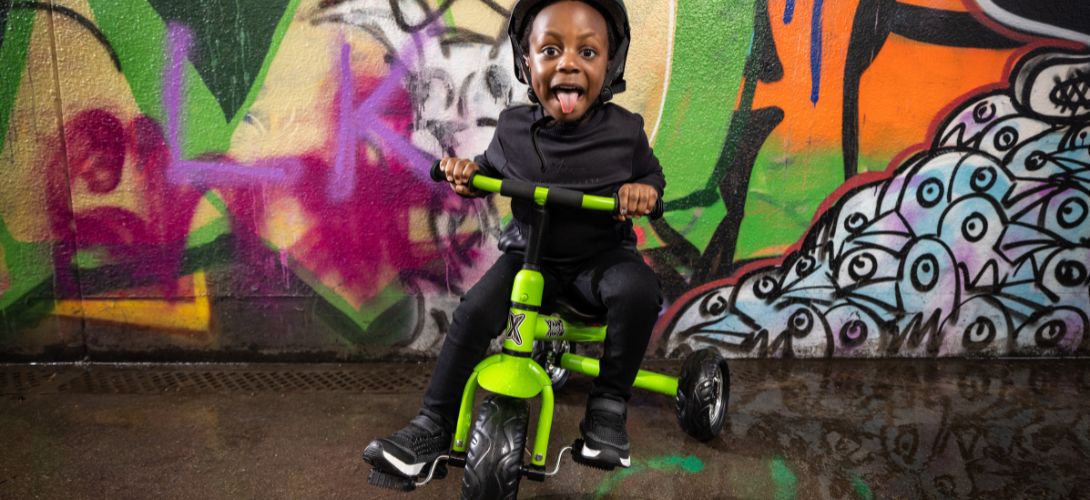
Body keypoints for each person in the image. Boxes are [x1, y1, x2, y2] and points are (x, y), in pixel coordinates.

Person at [363, 0, 664, 475]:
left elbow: (651, 179)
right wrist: (464, 172)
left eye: (588, 53)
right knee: (475, 312)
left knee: (638, 291)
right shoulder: (513, 128)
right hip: (529, 258)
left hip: (599, 260)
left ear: (610, 64)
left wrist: (642, 191)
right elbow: (483, 170)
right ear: (528, 63)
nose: (568, 63)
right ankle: (433, 423)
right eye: (550, 50)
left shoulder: (625, 132)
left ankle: (608, 408)